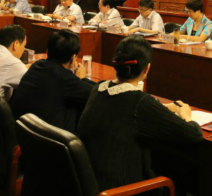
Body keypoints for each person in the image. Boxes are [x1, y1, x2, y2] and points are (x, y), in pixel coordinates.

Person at [77, 36, 203, 191]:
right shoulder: (140, 103)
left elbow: (130, 107)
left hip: (89, 185)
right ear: (146, 69)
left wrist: (163, 107)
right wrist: (186, 115)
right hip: (122, 190)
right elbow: (193, 134)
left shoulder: (99, 88)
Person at [10, 30, 95, 132]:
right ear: (73, 59)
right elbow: (94, 92)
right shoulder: (64, 77)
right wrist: (82, 78)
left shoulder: (36, 65)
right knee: (76, 104)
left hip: (18, 131)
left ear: (47, 52)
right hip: (42, 141)